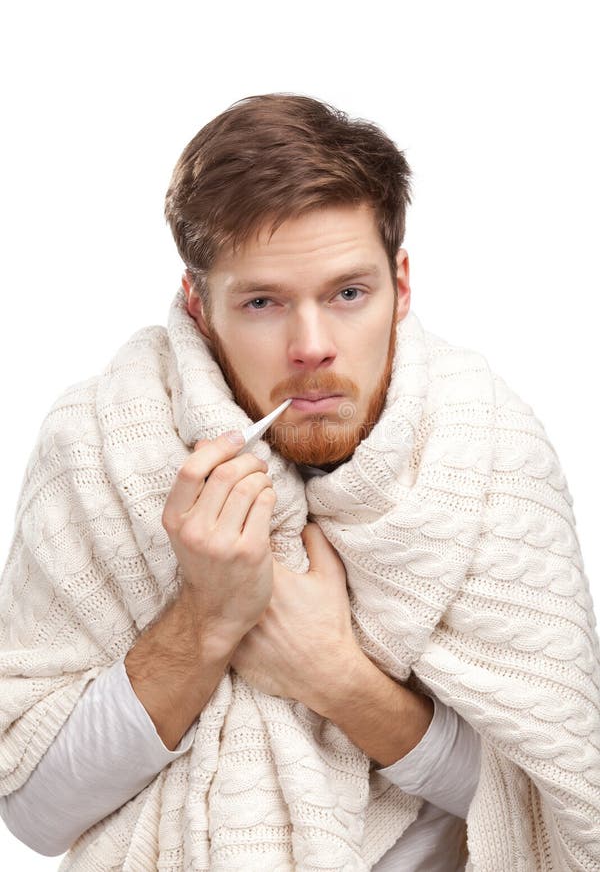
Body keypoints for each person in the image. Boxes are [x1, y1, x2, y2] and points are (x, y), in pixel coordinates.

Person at [0, 94, 598, 871]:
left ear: (402, 285)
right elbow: (37, 815)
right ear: (199, 306)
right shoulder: (100, 446)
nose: (312, 347)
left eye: (349, 294)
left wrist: (338, 677)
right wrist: (206, 619)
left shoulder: (489, 453)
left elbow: (557, 800)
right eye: (262, 303)